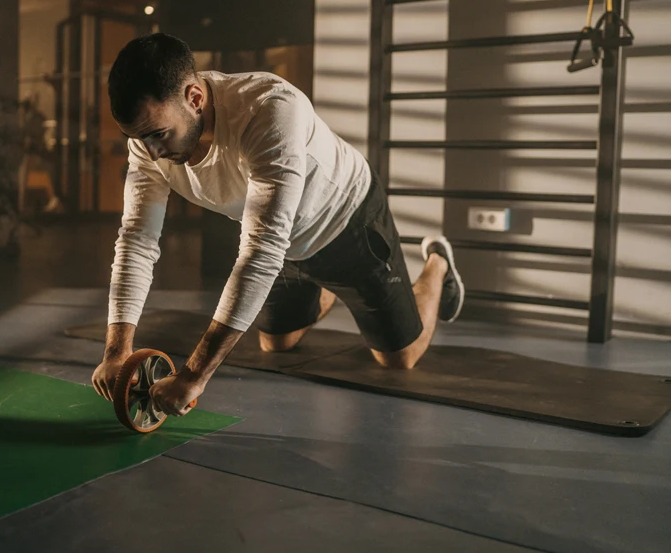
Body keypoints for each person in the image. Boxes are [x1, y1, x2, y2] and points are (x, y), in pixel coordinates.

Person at [90, 33, 464, 417]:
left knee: (399, 358)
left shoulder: (269, 109)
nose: (151, 152)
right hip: (282, 243)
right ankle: (324, 285)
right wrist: (117, 350)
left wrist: (193, 376)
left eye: (157, 134)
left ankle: (437, 264)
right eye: (136, 137)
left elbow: (259, 253)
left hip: (346, 224)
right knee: (277, 344)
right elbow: (137, 238)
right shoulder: (147, 141)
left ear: (195, 98)